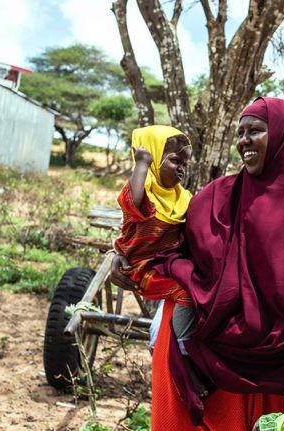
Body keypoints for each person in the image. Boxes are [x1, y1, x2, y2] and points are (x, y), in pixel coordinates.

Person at [111, 97, 284, 430]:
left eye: (255, 130)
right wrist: (123, 255)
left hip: (280, 376)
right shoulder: (217, 197)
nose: (244, 140)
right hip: (204, 364)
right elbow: (170, 245)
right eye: (240, 132)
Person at [113, 125, 206, 396]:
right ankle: (184, 353)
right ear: (153, 160)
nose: (181, 169)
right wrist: (142, 163)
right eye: (175, 161)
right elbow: (135, 196)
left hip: (167, 264)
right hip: (142, 269)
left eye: (184, 163)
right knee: (186, 292)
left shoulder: (181, 199)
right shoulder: (145, 197)